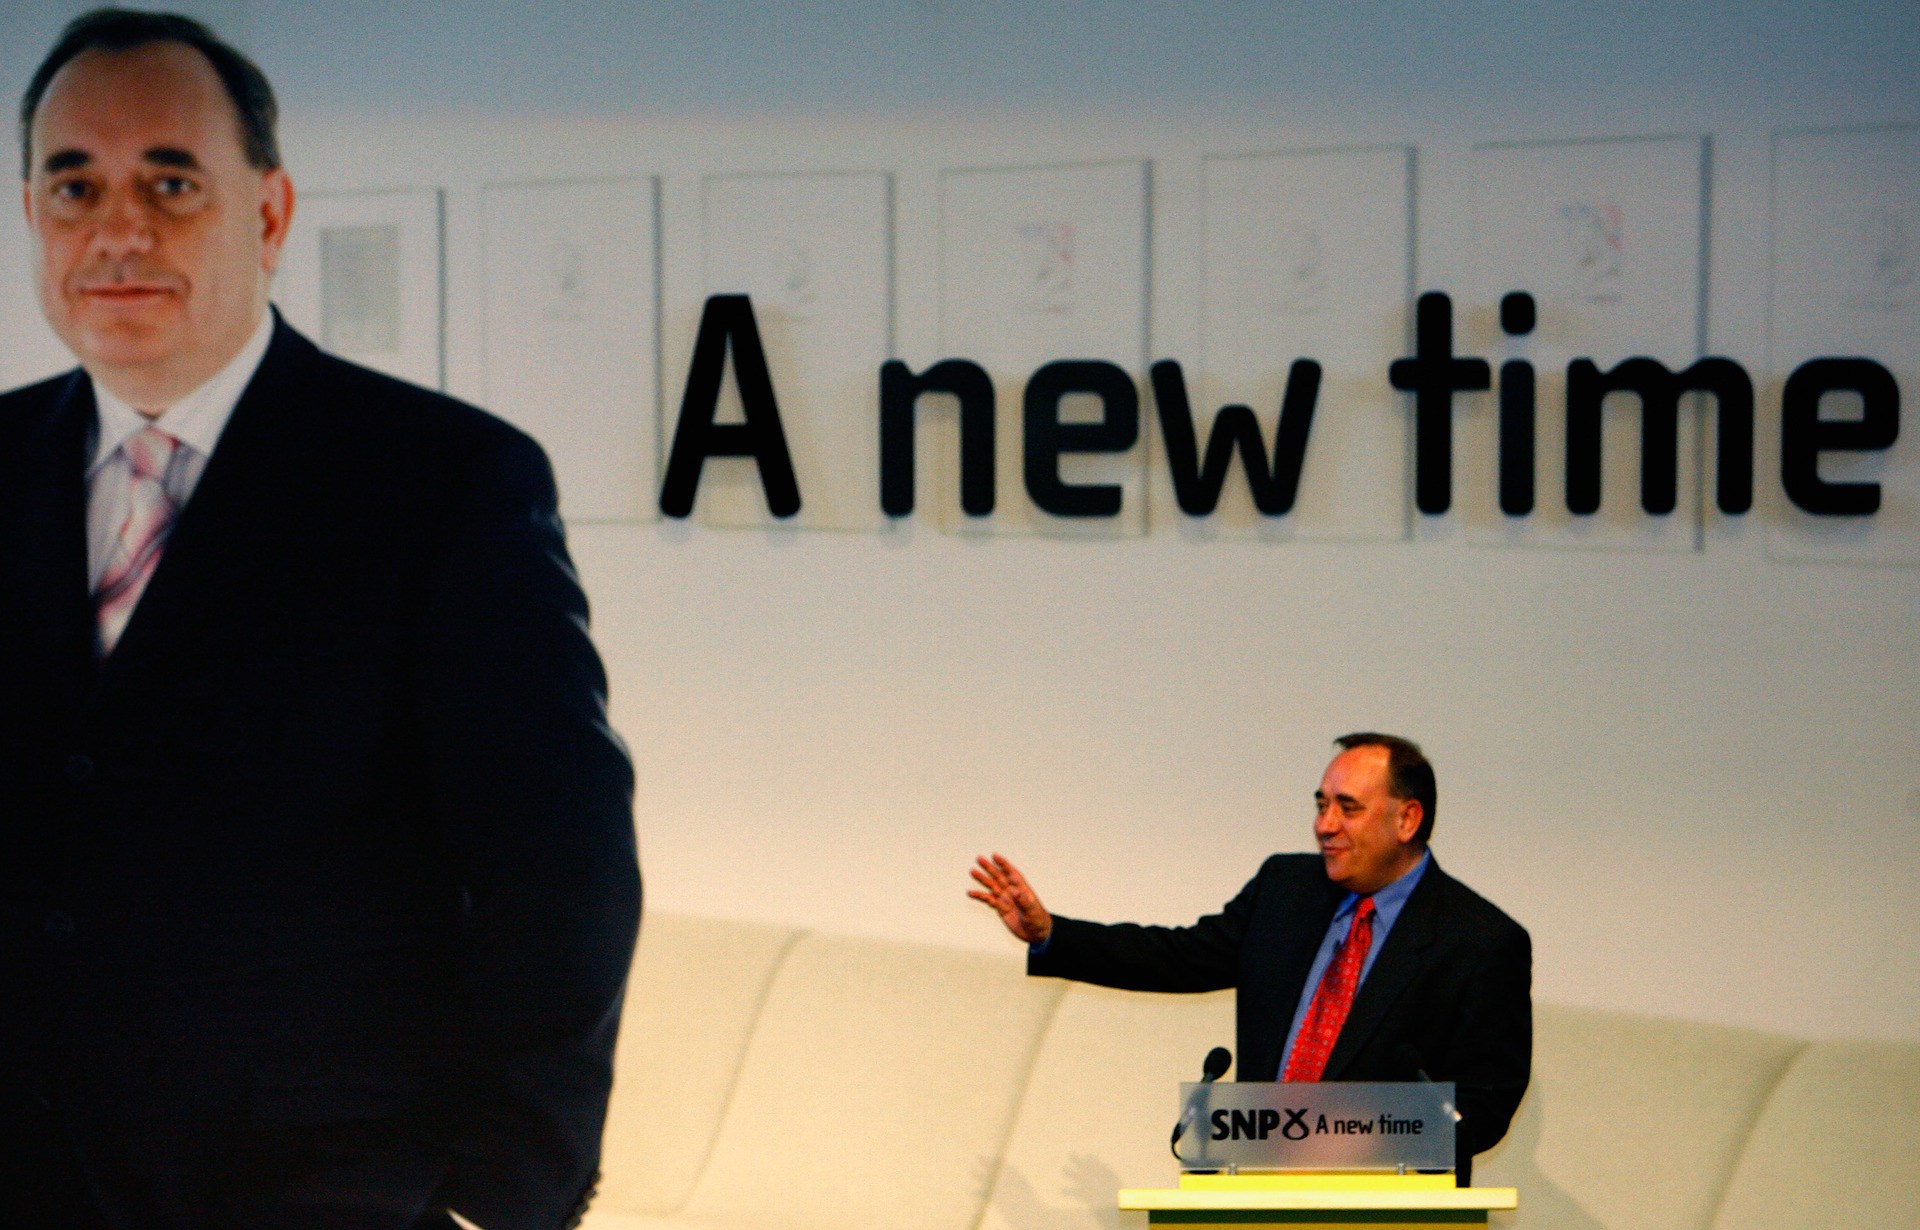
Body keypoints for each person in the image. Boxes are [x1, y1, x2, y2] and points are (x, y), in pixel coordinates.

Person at [0, 10, 641, 1229]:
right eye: (72, 184)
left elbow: (560, 870)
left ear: (271, 214)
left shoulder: (443, 480)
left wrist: (503, 1198)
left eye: (170, 181)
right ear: (32, 216)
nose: (118, 228)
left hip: (318, 1185)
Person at [969, 733, 1529, 1183]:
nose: (1324, 825)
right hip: (1256, 1188)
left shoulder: (1478, 940)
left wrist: (1363, 1132)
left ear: (1407, 820)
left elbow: (1486, 1103)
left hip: (1386, 1206)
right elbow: (1180, 956)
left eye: (1347, 808)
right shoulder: (1285, 889)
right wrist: (1051, 934)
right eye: (1321, 804)